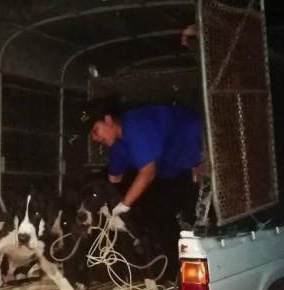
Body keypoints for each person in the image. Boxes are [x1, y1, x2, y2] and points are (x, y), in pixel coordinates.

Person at [84, 97, 209, 257]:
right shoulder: (116, 143)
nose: (95, 138)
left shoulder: (136, 126)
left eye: (96, 130)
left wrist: (123, 206)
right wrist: (104, 205)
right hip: (170, 168)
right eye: (92, 135)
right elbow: (114, 178)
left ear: (108, 120)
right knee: (156, 212)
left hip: (198, 148)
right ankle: (165, 260)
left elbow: (148, 173)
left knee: (187, 213)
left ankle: (185, 256)